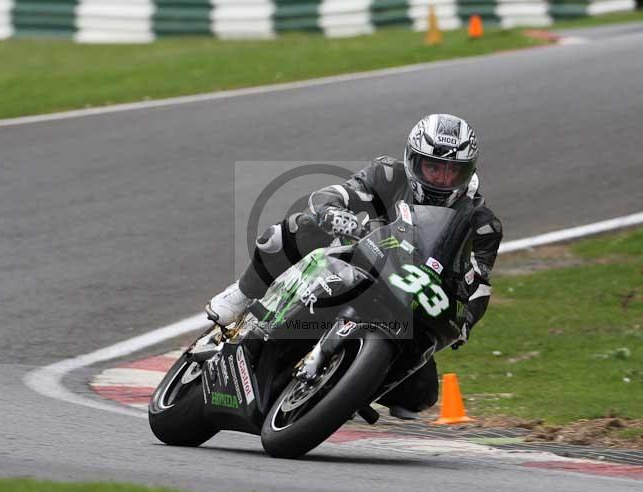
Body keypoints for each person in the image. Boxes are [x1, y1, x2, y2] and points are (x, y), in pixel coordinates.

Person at [207, 114, 503, 419]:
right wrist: (333, 213)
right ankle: (242, 294)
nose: (442, 179)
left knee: (420, 395)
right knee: (297, 228)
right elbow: (334, 195)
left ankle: (344, 387)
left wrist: (465, 321)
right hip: (352, 265)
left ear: (469, 171)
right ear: (413, 161)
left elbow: (479, 283)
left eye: (453, 171)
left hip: (409, 304)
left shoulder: (481, 225)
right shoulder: (388, 175)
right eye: (434, 167)